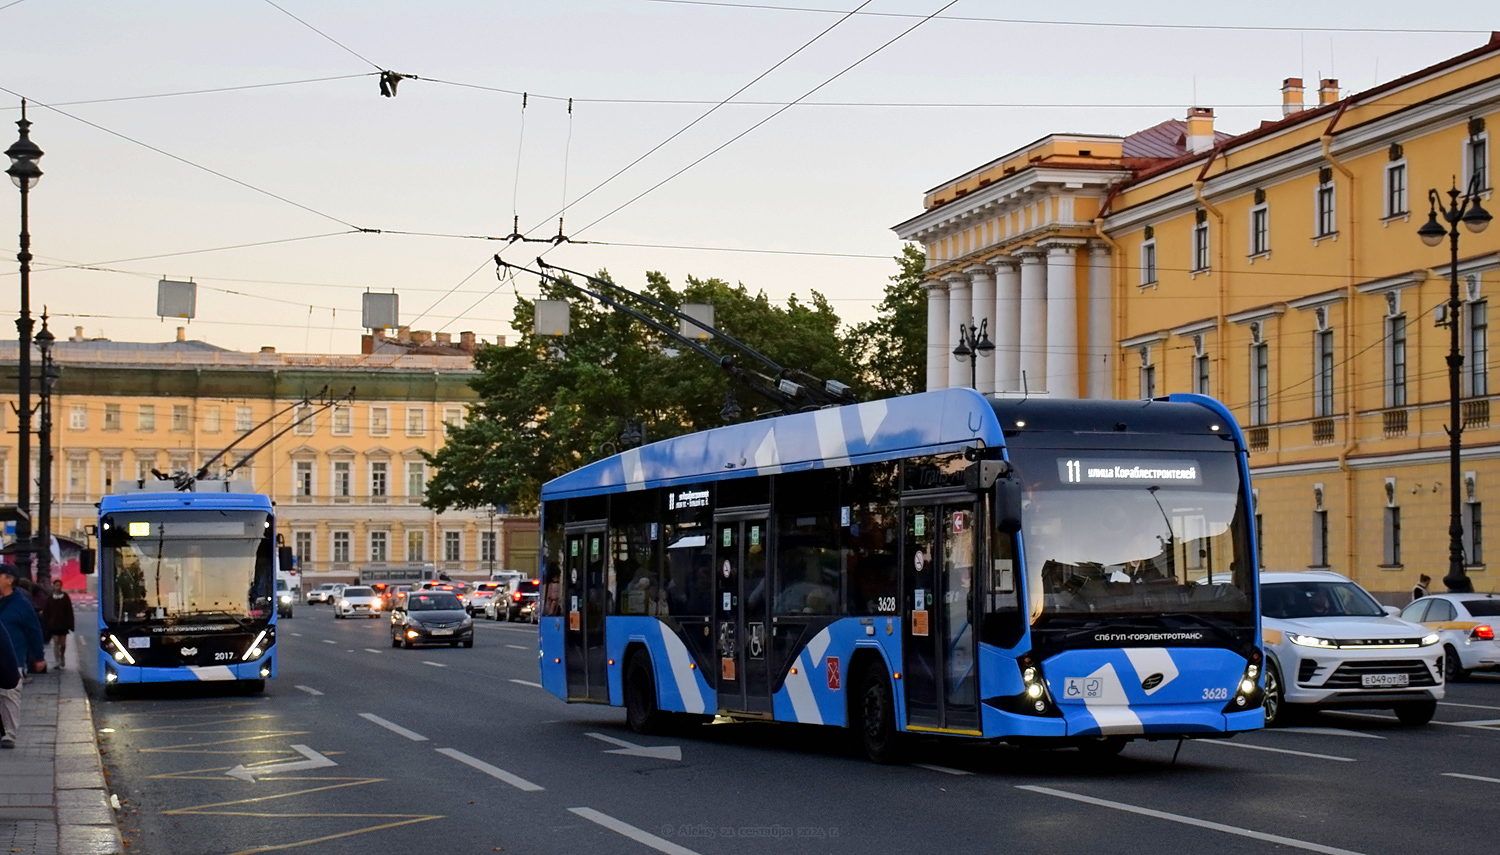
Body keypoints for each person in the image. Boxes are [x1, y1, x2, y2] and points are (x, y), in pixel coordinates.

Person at [0, 567, 46, 748]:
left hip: (13, 658)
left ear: (9, 580)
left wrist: (39, 657)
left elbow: (33, 631)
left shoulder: (21, 604)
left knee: (9, 695)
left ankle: (9, 734)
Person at [41, 578, 74, 670]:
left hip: (63, 623)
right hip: (54, 623)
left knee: (62, 644)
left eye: (59, 585)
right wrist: (46, 623)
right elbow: (47, 611)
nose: (58, 587)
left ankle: (62, 656)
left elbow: (69, 611)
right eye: (56, 585)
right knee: (56, 642)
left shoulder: (65, 597)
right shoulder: (50, 598)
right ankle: (57, 661)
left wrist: (70, 624)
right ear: (54, 586)